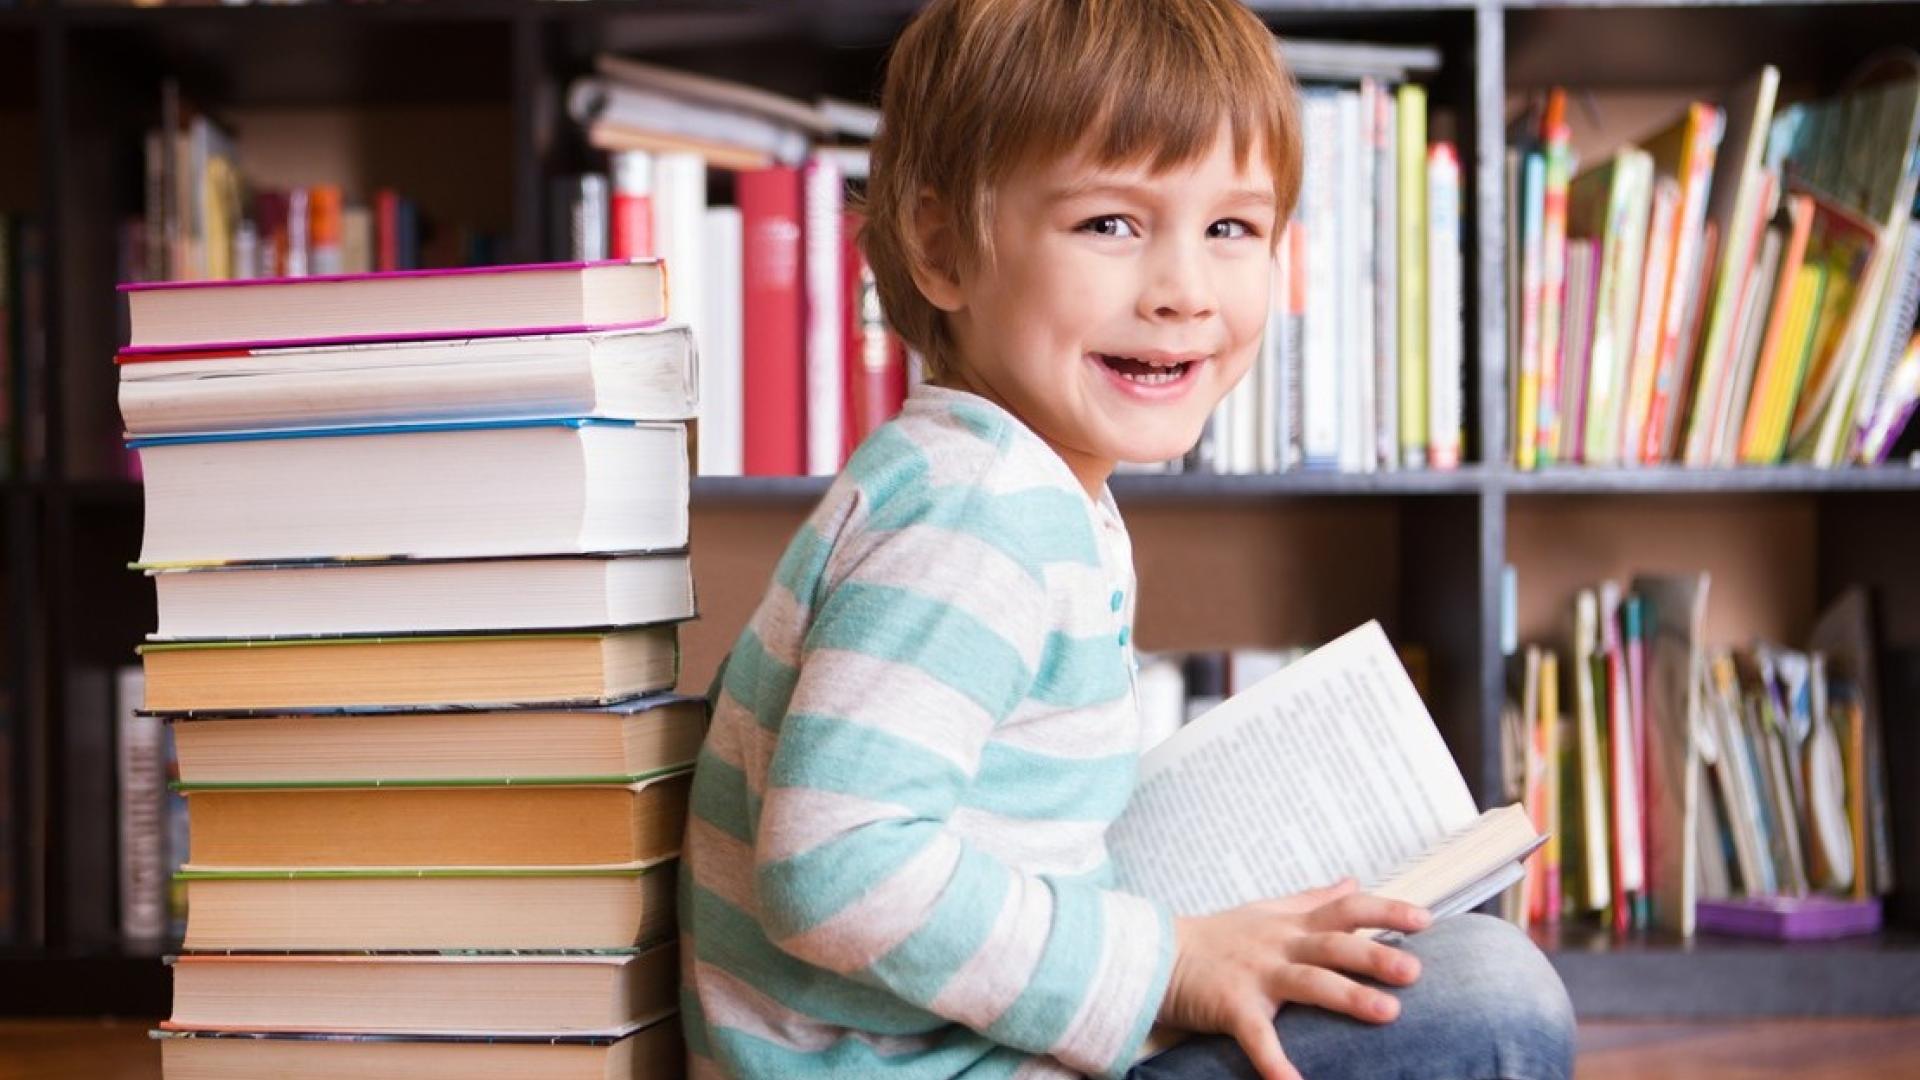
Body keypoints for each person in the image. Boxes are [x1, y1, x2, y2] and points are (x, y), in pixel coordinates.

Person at [677, 1, 1576, 1077]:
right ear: (941, 246)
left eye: (1230, 229)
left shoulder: (1015, 479)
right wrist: (1171, 964)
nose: (1183, 292)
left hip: (968, 1045)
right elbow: (838, 865)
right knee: (1489, 997)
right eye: (1112, 224)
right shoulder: (973, 510)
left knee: (1408, 960)